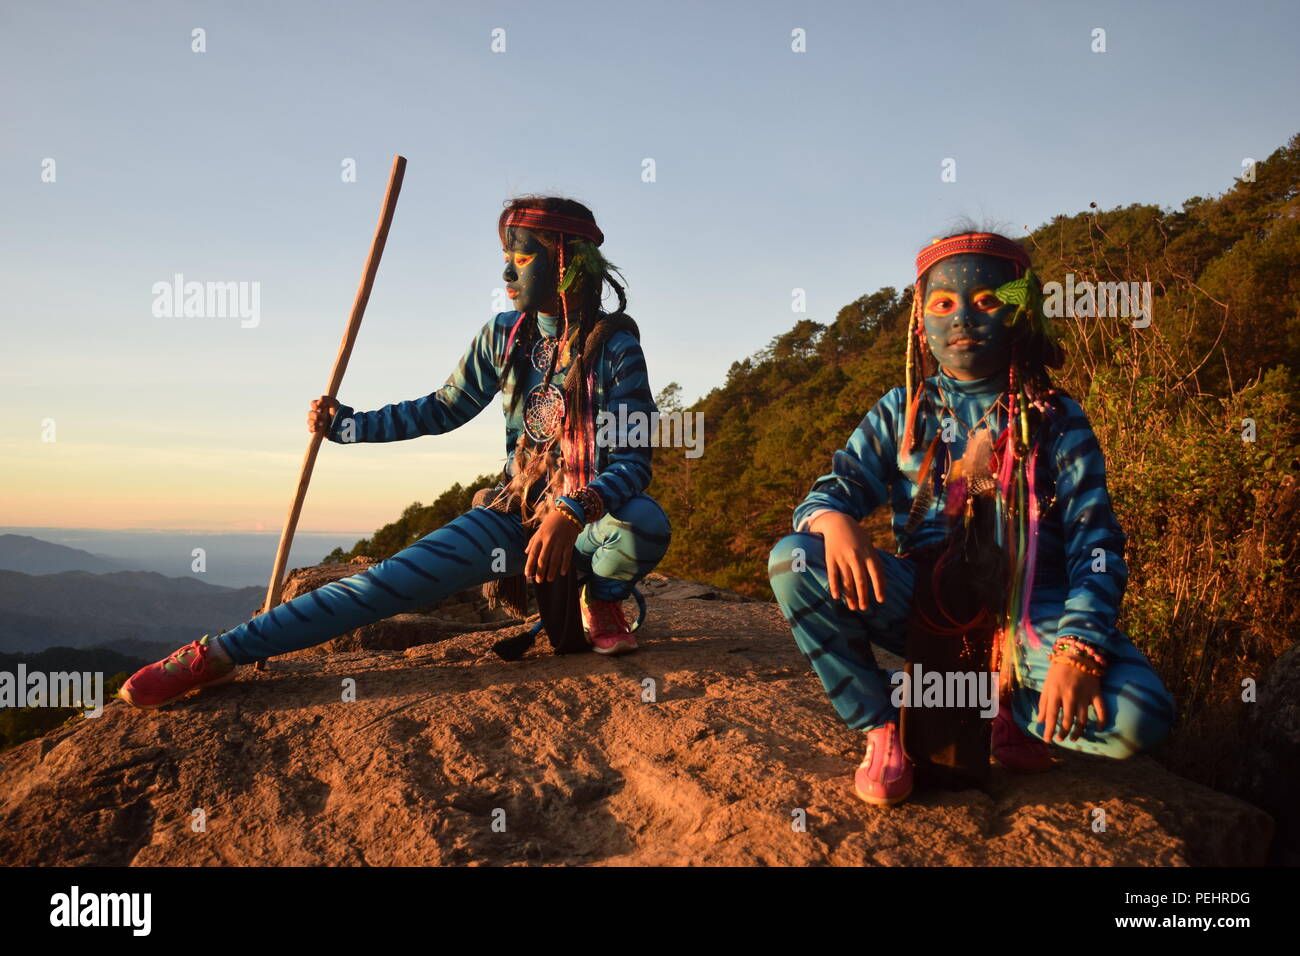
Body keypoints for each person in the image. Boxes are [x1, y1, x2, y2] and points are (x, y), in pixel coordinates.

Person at [120, 197, 671, 709]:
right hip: (514, 516)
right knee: (382, 583)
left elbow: (633, 463)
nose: (506, 274)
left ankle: (601, 597)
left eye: (520, 258)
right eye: (504, 259)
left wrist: (572, 511)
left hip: (591, 525)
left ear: (566, 263)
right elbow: (441, 408)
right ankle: (219, 654)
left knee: (643, 522)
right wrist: (349, 427)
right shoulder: (505, 336)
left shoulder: (616, 346)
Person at [768, 231, 1174, 807]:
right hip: (927, 602)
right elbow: (830, 493)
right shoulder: (903, 409)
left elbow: (1097, 543)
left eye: (987, 301)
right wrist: (834, 520)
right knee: (794, 558)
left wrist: (1078, 648)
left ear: (1020, 313)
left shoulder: (1054, 417)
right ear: (920, 320)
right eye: (942, 303)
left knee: (1142, 715)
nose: (962, 317)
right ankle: (886, 724)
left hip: (1029, 616)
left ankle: (1003, 707)